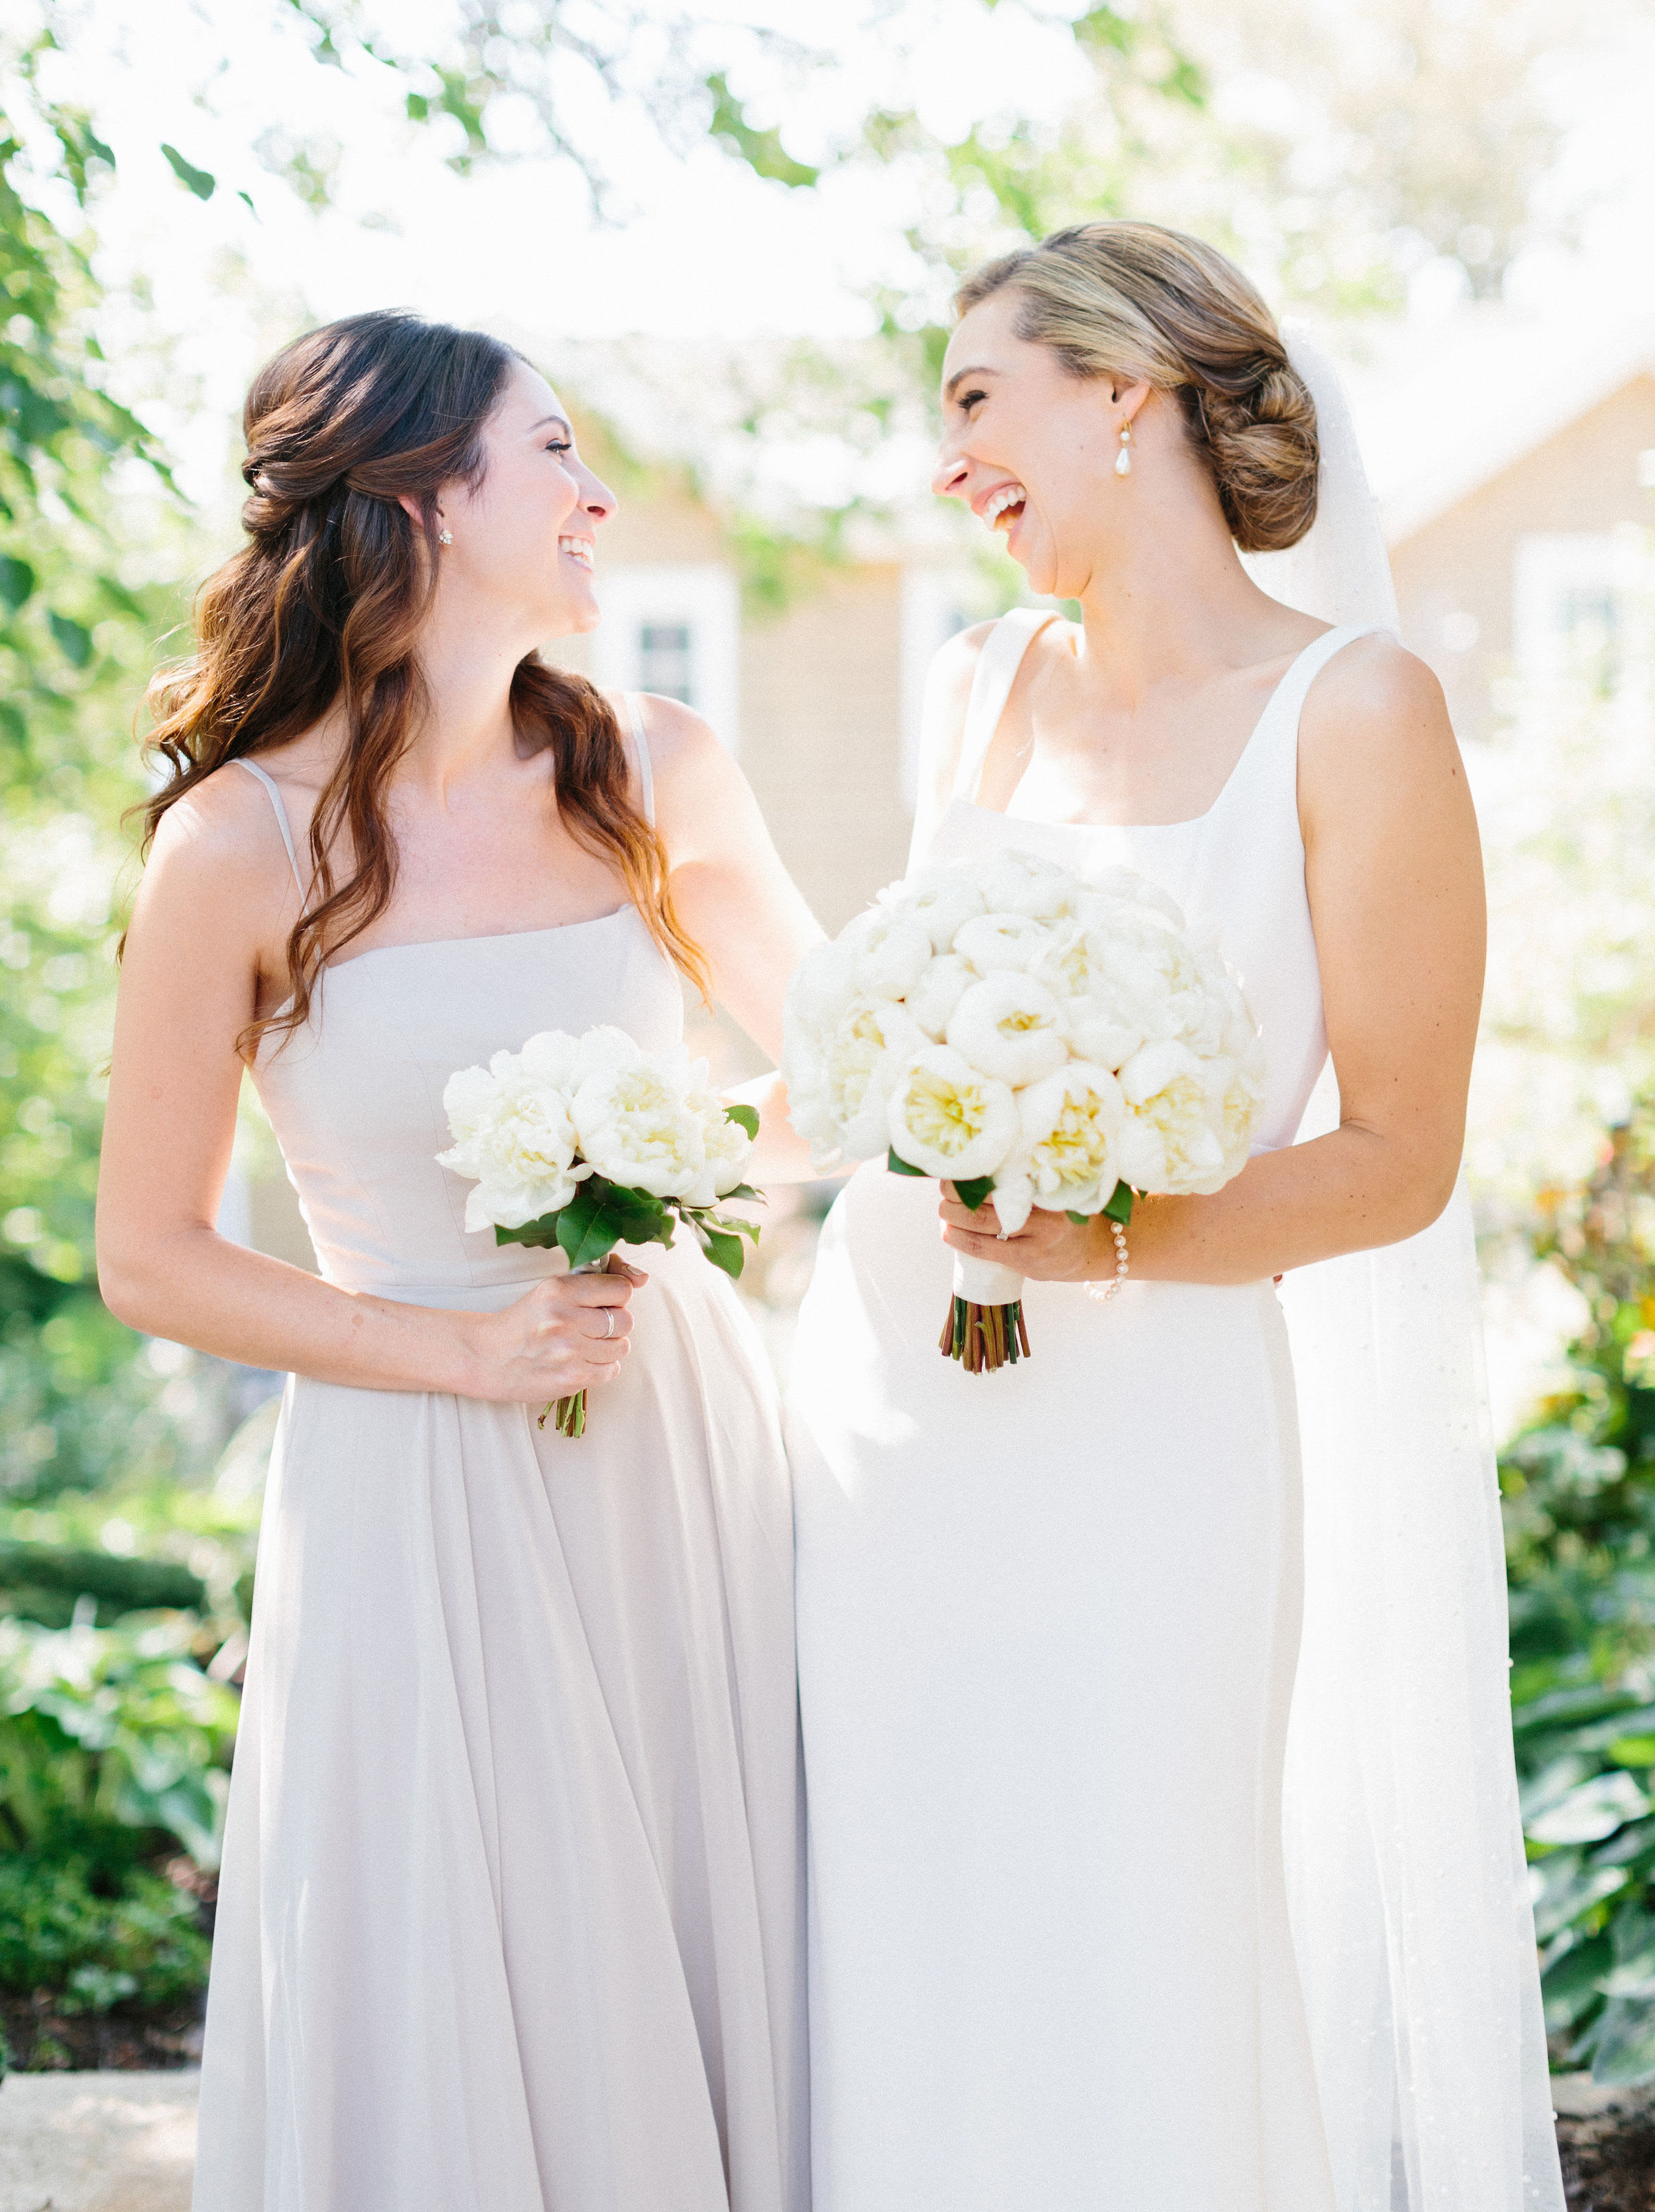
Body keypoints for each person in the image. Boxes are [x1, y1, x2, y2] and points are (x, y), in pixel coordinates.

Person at [785, 223, 1562, 2211]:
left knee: (1142, 1920)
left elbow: (1399, 1152)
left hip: (1155, 1436)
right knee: (902, 1912)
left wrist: (1112, 1237)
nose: (948, 461)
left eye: (979, 400)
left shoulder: (1356, 709)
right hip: (889, 1426)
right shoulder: (976, 686)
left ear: (1124, 395)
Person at [96, 311, 821, 2212]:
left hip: (672, 1442)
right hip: (412, 1469)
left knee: (699, 1928)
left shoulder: (654, 768)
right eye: (556, 452)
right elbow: (150, 1257)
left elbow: (839, 1078)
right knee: (469, 1969)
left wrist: (688, 1162)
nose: (598, 498)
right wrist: (461, 1357)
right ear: (424, 497)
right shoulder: (237, 843)